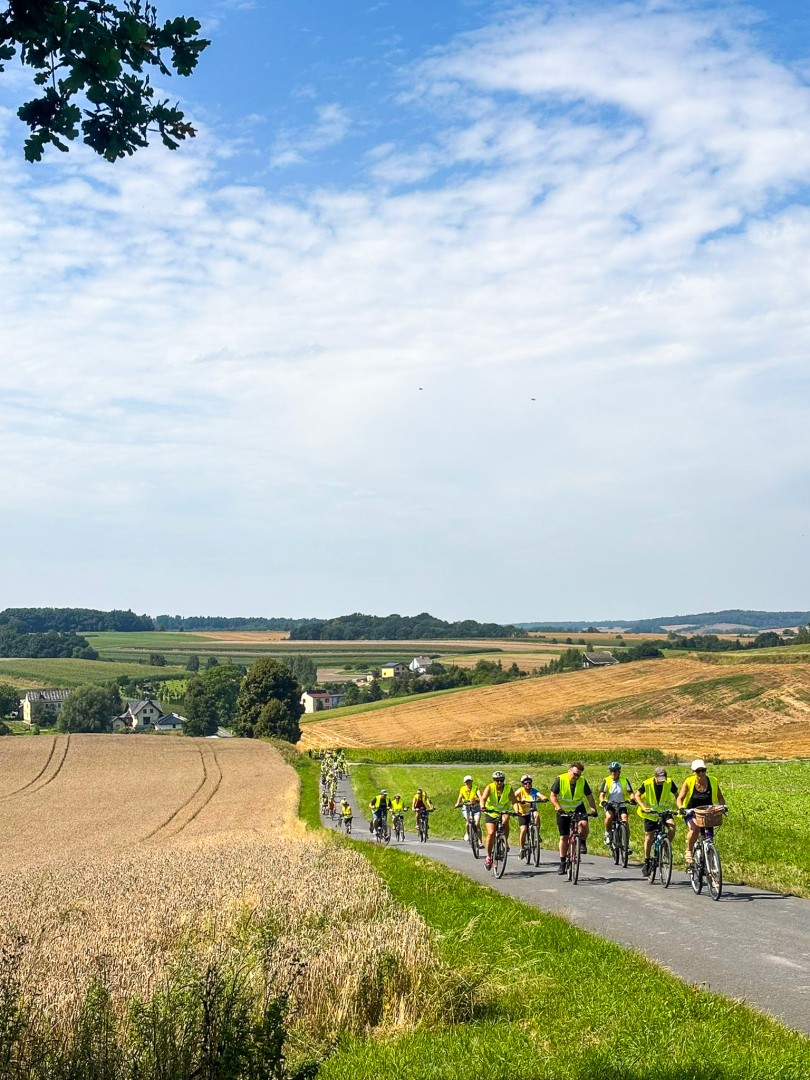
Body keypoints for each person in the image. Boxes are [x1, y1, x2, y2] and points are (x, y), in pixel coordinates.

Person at [676, 759, 727, 869]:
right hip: (691, 812)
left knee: (709, 837)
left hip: (707, 812)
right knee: (695, 829)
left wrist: (722, 806)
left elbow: (720, 797)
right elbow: (680, 798)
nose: (701, 773)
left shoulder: (713, 781)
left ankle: (710, 864)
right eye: (698, 771)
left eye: (703, 770)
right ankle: (689, 851)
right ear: (693, 772)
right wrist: (681, 808)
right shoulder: (689, 781)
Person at [548, 762, 598, 875]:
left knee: (584, 824)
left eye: (578, 775)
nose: (576, 777)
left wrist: (593, 810)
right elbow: (553, 796)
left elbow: (589, 796)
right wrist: (559, 808)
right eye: (574, 774)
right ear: (569, 770)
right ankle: (562, 863)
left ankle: (582, 842)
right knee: (564, 837)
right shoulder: (560, 779)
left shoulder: (582, 781)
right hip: (563, 810)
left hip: (577, 807)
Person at [635, 765, 678, 876]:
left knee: (672, 827)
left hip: (664, 811)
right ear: (655, 777)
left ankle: (665, 846)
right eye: (660, 779)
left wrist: (680, 807)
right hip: (650, 813)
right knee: (648, 837)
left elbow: (677, 795)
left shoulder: (669, 782)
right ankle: (647, 860)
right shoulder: (647, 783)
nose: (662, 782)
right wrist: (643, 807)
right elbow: (637, 795)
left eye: (663, 779)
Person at [479, 771, 518, 871]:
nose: (499, 782)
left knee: (506, 819)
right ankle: (488, 857)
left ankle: (504, 840)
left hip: (503, 811)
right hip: (491, 812)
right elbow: (483, 798)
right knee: (491, 833)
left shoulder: (508, 788)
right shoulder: (490, 787)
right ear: (494, 780)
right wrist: (482, 806)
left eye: (501, 780)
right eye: (497, 780)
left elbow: (514, 801)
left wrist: (517, 811)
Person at [599, 762, 635, 852]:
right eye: (611, 771)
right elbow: (602, 794)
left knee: (625, 820)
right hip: (610, 804)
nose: (613, 773)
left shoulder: (624, 780)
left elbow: (631, 792)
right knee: (609, 817)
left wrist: (632, 799)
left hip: (621, 804)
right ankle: (608, 833)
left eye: (615, 771)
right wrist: (603, 801)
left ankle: (626, 845)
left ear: (619, 772)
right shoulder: (607, 780)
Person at [513, 773, 548, 858]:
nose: (528, 784)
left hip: (532, 810)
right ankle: (522, 848)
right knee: (523, 829)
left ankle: (536, 834)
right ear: (523, 784)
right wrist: (517, 803)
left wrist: (544, 798)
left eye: (529, 782)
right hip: (522, 813)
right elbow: (513, 797)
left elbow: (540, 795)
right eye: (525, 783)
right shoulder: (520, 791)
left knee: (537, 815)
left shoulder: (534, 790)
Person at [454, 775, 481, 840]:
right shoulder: (462, 789)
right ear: (464, 782)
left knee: (477, 824)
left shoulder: (475, 788)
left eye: (469, 781)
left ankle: (479, 841)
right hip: (466, 808)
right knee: (468, 821)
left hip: (475, 807)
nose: (468, 783)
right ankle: (467, 833)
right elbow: (460, 797)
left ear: (472, 781)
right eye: (467, 781)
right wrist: (457, 803)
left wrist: (479, 800)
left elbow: (480, 796)